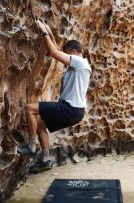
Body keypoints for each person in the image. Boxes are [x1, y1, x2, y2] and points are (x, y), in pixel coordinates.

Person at [18, 20, 91, 172]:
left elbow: (54, 53)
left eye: (68, 54)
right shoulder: (78, 65)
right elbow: (58, 50)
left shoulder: (80, 63)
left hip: (70, 108)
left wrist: (43, 32)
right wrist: (50, 31)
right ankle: (45, 160)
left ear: (74, 53)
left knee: (29, 109)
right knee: (41, 125)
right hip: (76, 112)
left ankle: (31, 147)